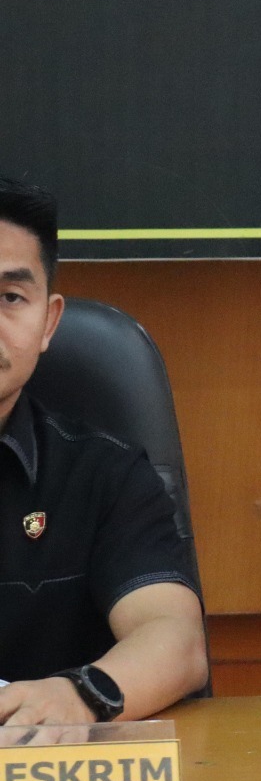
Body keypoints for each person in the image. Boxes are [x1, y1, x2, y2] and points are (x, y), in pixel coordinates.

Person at [0, 177, 209, 725]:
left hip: (55, 769)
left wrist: (81, 696)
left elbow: (175, 637)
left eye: (10, 298)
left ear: (48, 321)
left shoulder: (103, 474)